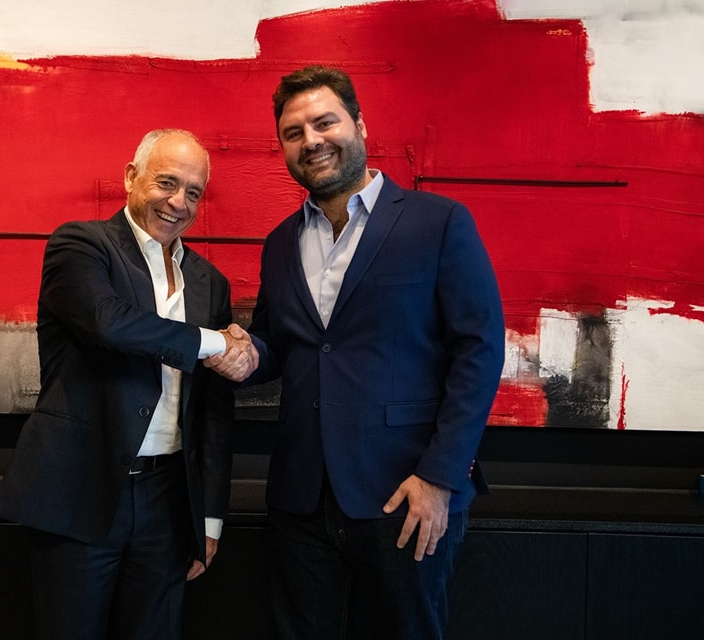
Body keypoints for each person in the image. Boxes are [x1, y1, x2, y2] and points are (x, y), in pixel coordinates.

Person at [207, 66, 505, 639]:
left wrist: (439, 478)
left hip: (405, 494)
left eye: (325, 123)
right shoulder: (280, 243)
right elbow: (280, 346)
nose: (311, 140)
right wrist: (245, 352)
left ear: (360, 125)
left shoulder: (439, 222)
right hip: (300, 498)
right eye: (293, 133)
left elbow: (480, 351)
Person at [0, 128, 257, 640]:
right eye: (167, 182)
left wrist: (209, 519)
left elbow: (212, 412)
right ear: (132, 177)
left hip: (169, 501)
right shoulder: (80, 245)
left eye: (194, 192)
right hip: (80, 491)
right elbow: (108, 323)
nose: (179, 203)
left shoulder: (211, 282)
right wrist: (215, 343)